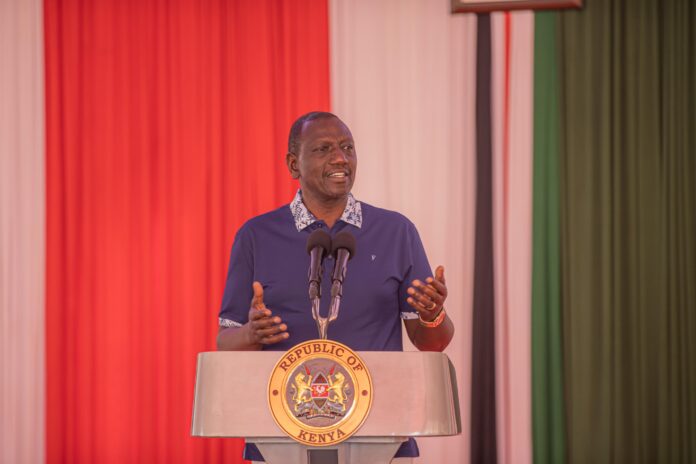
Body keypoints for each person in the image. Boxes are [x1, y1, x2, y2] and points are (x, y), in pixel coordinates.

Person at [216, 111, 454, 461]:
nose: (340, 158)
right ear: (294, 164)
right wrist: (252, 334)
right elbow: (226, 341)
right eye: (324, 149)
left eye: (347, 148)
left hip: (381, 437)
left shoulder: (396, 231)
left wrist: (432, 314)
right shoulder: (256, 236)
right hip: (280, 437)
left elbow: (432, 342)